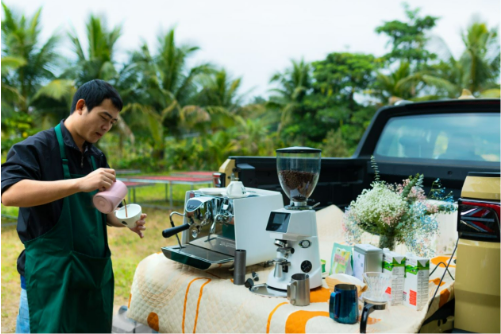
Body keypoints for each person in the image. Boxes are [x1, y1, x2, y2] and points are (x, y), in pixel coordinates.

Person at [1, 79, 147, 333]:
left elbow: (101, 210)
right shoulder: (35, 148)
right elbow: (10, 194)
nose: (107, 127)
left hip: (91, 272)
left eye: (112, 122)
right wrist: (79, 183)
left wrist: (122, 220)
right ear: (81, 106)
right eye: (104, 117)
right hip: (50, 274)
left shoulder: (96, 157)